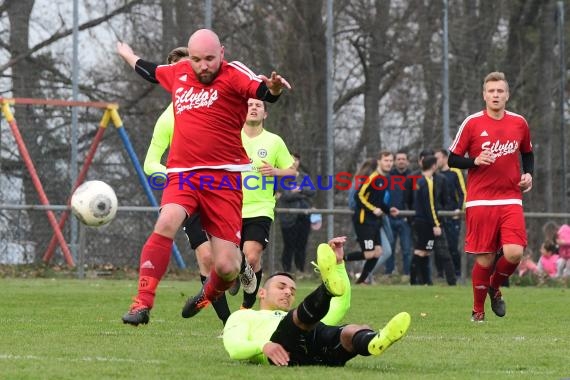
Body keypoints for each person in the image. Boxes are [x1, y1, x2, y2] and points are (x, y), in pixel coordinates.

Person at [116, 28, 291, 325]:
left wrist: (273, 88)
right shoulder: (180, 72)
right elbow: (150, 70)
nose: (203, 66)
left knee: (226, 267)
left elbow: (262, 92)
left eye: (209, 59)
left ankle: (208, 292)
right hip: (183, 175)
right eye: (197, 59)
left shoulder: (233, 73)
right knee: (166, 221)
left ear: (221, 52)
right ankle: (141, 304)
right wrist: (127, 54)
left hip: (223, 180)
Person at [142, 46, 232, 325]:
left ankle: (228, 292)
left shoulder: (217, 105)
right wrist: (179, 175)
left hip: (219, 191)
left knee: (231, 262)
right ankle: (229, 323)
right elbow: (150, 164)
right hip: (187, 195)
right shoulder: (167, 118)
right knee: (206, 258)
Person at [222, 236, 411, 366]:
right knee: (297, 318)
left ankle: (373, 341)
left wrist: (339, 264)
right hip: (281, 350)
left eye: (292, 290)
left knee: (349, 331)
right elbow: (233, 346)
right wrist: (263, 346)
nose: (288, 292)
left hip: (316, 354)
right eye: (281, 287)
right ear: (261, 293)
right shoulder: (245, 316)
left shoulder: (304, 315)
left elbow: (342, 304)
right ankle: (326, 289)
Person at [448, 71, 534, 322]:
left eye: (500, 91)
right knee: (485, 259)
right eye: (491, 91)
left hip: (510, 198)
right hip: (480, 200)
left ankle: (495, 287)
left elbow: (527, 153)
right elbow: (453, 158)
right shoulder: (472, 123)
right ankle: (478, 311)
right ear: (484, 95)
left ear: (507, 95)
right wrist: (474, 160)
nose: (496, 95)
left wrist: (529, 174)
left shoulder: (519, 123)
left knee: (514, 253)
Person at [230, 98, 296, 309]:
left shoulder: (274, 141)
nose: (254, 108)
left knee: (250, 256)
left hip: (260, 208)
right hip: (229, 207)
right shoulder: (230, 136)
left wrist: (276, 172)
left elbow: (292, 172)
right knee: (246, 263)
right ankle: (233, 275)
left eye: (259, 106)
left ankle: (245, 307)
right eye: (249, 105)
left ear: (265, 114)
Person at [346, 151, 398, 284]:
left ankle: (361, 281)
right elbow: (358, 197)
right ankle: (338, 258)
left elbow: (378, 201)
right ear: (379, 161)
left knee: (379, 252)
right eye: (386, 160)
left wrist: (388, 210)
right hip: (365, 221)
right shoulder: (372, 178)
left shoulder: (383, 179)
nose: (389, 163)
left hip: (375, 222)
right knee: (370, 254)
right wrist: (373, 209)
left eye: (391, 161)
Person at [277, 153, 316, 273]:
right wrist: (301, 194)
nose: (294, 162)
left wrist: (299, 190)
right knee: (289, 245)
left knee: (302, 245)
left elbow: (312, 191)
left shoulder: (304, 177)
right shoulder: (281, 177)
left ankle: (300, 271)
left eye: (296, 160)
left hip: (304, 215)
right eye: (291, 159)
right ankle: (286, 270)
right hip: (288, 217)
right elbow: (286, 195)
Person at [409, 156, 442, 285]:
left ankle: (424, 281)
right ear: (433, 166)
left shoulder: (420, 181)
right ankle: (414, 280)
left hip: (421, 220)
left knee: (425, 252)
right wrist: (436, 224)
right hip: (425, 222)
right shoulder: (427, 182)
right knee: (420, 251)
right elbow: (430, 205)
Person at [435, 149, 466, 277]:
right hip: (439, 216)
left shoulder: (455, 172)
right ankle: (441, 274)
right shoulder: (435, 175)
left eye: (438, 158)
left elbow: (463, 192)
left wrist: (459, 209)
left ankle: (457, 273)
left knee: (453, 246)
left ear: (444, 158)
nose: (436, 161)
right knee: (439, 247)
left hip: (453, 216)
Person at [386, 150, 412, 278]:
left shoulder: (412, 177)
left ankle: (407, 274)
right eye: (399, 159)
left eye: (403, 159)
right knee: (389, 248)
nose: (401, 161)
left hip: (406, 218)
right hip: (389, 217)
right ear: (395, 161)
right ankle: (389, 274)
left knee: (407, 249)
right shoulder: (387, 177)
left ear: (407, 161)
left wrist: (409, 214)